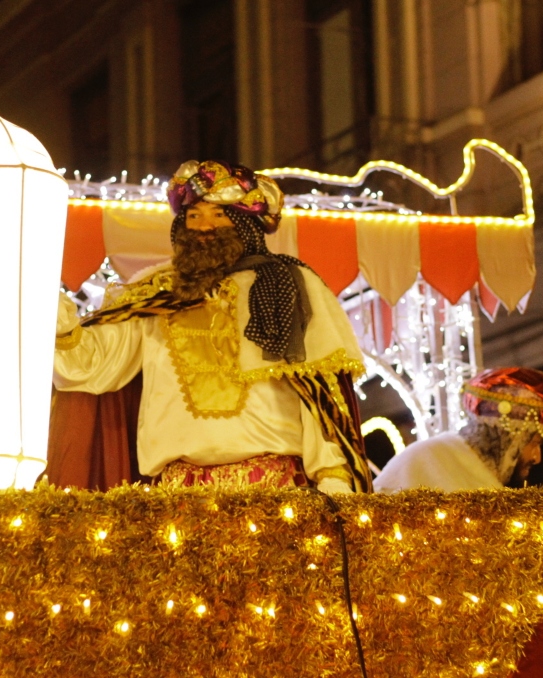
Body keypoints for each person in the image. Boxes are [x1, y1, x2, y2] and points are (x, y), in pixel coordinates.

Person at [47, 160, 371, 494]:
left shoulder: (287, 284)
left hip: (274, 488)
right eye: (194, 215)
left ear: (246, 223)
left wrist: (335, 474)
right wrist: (51, 311)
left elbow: (323, 394)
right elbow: (89, 366)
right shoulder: (156, 292)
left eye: (220, 214)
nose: (204, 227)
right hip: (174, 494)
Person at [374, 367, 543, 492]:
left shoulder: (488, 477)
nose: (537, 457)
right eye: (533, 443)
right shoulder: (429, 459)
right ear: (509, 436)